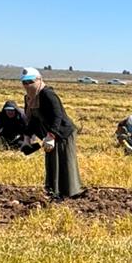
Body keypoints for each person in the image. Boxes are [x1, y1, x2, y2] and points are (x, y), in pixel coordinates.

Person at [20, 69, 84, 198]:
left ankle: (71, 192)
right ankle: (54, 191)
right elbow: (32, 120)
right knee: (51, 162)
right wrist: (27, 138)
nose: (27, 85)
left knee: (65, 162)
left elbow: (57, 115)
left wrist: (51, 135)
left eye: (30, 82)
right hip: (48, 133)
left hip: (63, 132)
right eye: (24, 82)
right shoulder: (29, 98)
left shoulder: (48, 94)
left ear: (39, 80)